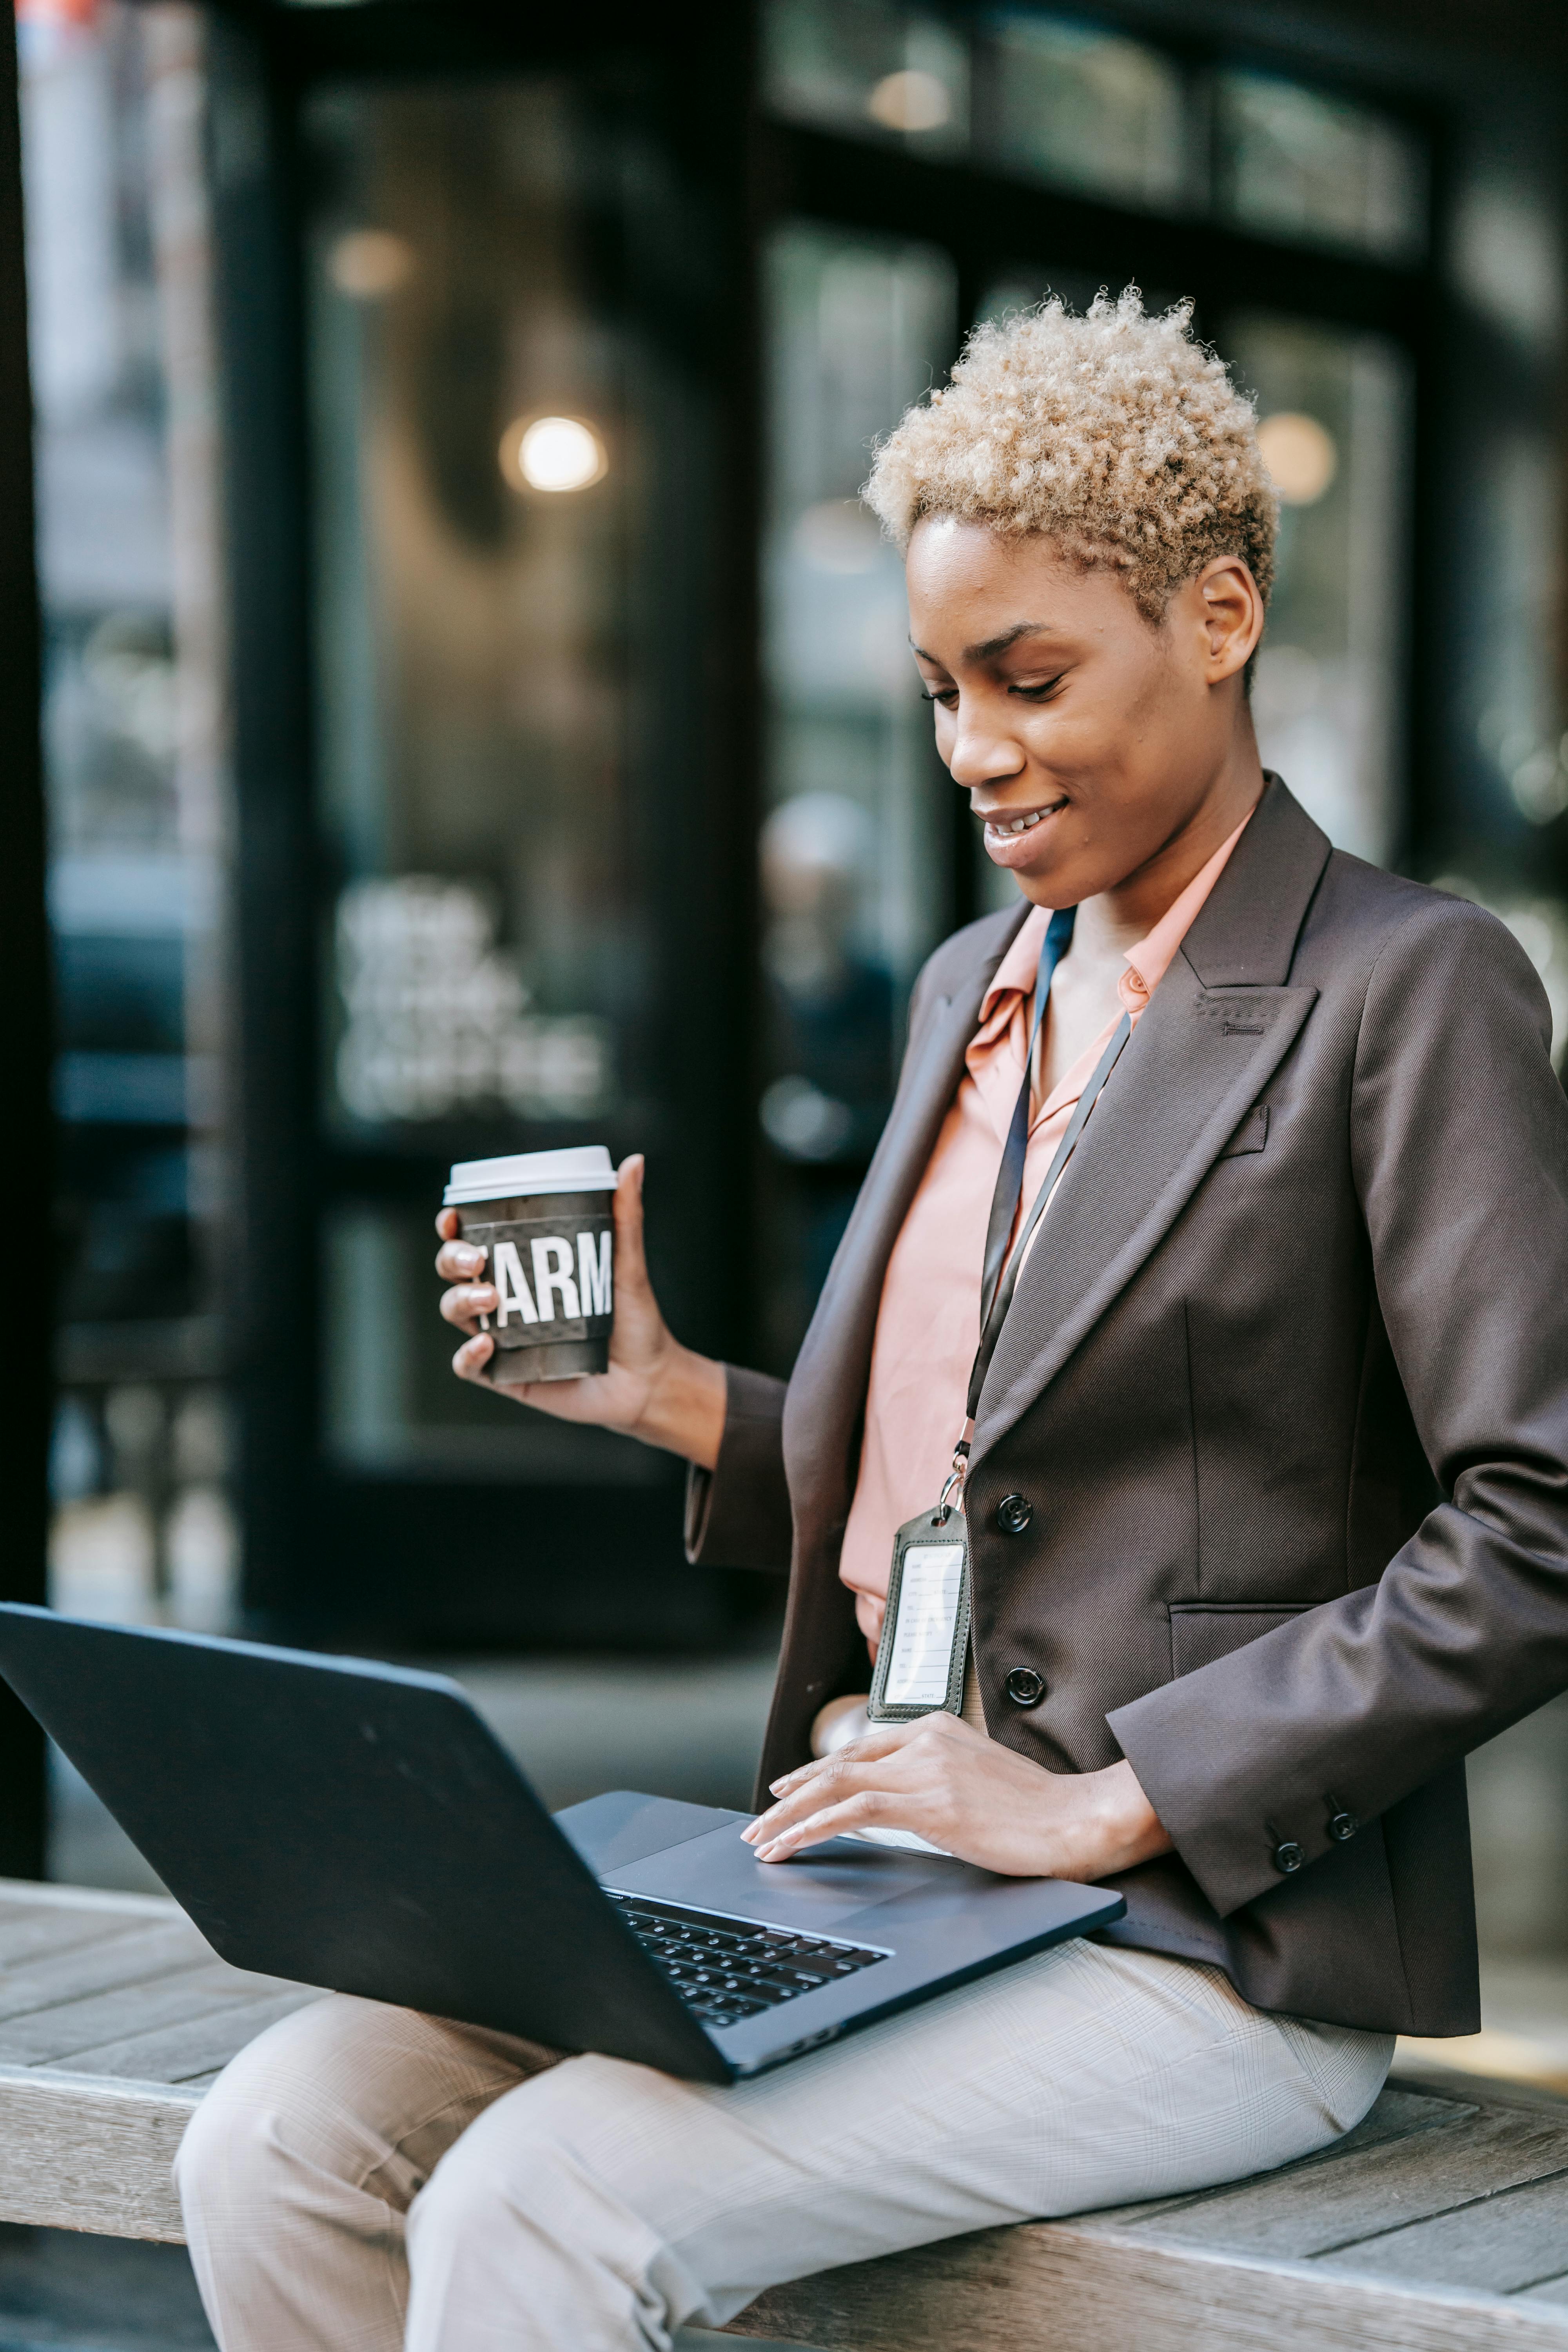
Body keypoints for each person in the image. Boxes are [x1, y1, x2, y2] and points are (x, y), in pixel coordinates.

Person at [176, 290, 1568, 2352]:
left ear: (1219, 617)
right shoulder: (967, 989)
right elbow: (991, 1476)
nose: (972, 751)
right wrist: (678, 1401)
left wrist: (1115, 1801)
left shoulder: (1407, 986)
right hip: (868, 1861)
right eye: (937, 689)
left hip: (1197, 1942)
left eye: (1029, 677)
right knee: (277, 2135)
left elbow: (1540, 1522)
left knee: (550, 2198)